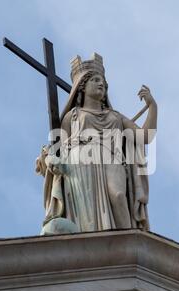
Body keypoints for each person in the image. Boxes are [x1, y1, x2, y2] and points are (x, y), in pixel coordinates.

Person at [36, 53, 157, 233]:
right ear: (82, 87)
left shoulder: (115, 116)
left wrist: (153, 106)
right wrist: (50, 159)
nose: (101, 84)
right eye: (95, 80)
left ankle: (127, 241)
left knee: (117, 195)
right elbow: (57, 148)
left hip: (110, 158)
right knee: (86, 212)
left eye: (103, 82)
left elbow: (145, 136)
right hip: (79, 163)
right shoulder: (73, 116)